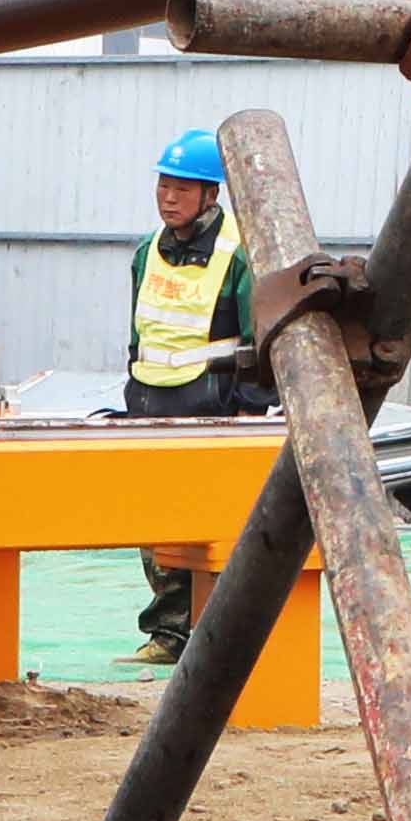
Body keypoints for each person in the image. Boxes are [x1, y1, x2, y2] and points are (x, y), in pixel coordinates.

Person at [118, 124, 263, 657]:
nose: (169, 198)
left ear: (211, 194)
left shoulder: (237, 255)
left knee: (213, 523)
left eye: (181, 187)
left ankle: (214, 635)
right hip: (151, 400)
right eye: (163, 186)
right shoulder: (146, 252)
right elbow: (139, 331)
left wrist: (248, 409)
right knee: (154, 524)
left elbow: (254, 340)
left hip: (211, 404)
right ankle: (168, 631)